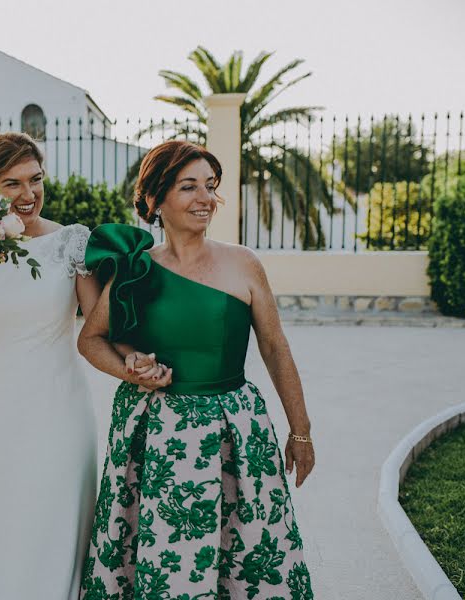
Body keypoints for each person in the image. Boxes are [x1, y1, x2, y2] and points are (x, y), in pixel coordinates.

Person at [78, 140, 315, 599]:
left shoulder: (244, 263)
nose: (205, 199)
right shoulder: (137, 268)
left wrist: (300, 430)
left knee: (245, 553)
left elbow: (275, 347)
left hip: (236, 433)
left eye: (210, 186)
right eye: (188, 187)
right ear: (154, 199)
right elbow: (91, 339)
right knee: (168, 560)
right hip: (157, 438)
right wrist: (131, 370)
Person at [0, 132, 162, 599]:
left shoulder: (71, 243)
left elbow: (98, 328)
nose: (28, 194)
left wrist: (132, 360)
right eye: (12, 183)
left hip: (58, 408)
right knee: (2, 527)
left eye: (35, 180)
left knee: (54, 523)